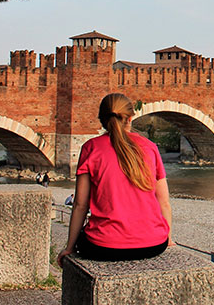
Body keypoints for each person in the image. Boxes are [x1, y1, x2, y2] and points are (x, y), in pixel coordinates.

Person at [57, 93, 172, 266]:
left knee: (87, 237)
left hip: (104, 247)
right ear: (131, 117)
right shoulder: (150, 148)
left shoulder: (91, 148)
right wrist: (167, 238)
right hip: (155, 245)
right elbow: (163, 202)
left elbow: (80, 205)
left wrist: (69, 247)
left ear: (102, 119)